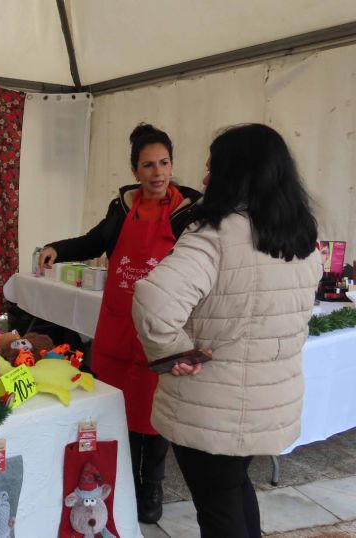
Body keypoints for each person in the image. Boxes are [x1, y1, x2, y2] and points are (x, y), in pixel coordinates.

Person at [131, 123, 322, 537]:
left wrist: (173, 353)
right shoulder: (303, 238)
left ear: (235, 174)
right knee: (233, 489)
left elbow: (154, 301)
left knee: (219, 509)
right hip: (266, 401)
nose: (204, 180)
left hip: (212, 405)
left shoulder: (215, 235)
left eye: (211, 169)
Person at [38, 123, 202, 523]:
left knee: (156, 410)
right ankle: (121, 482)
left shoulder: (189, 214)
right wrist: (57, 248)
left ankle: (152, 486)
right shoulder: (123, 208)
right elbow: (94, 241)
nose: (157, 173)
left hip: (161, 330)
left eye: (164, 163)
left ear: (172, 165)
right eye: (148, 165)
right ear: (135, 171)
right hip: (119, 325)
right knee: (119, 408)